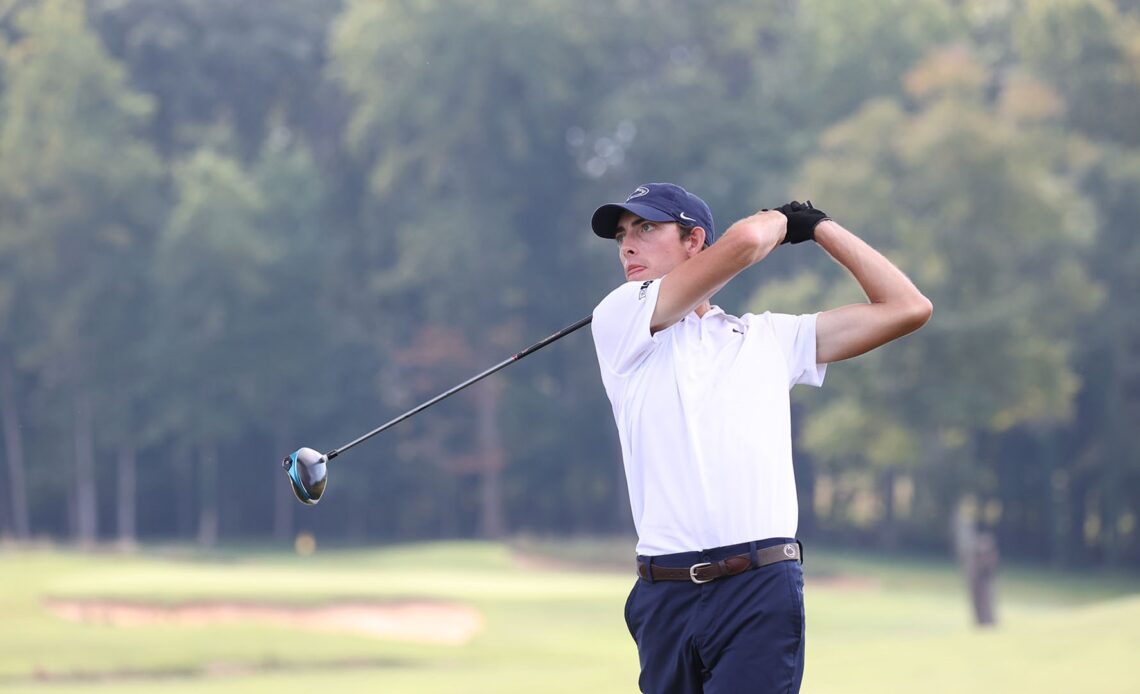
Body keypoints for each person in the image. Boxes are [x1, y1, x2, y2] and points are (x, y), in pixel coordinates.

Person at [588, 182, 932, 693]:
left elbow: (907, 307)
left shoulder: (770, 338)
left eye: (646, 228)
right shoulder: (619, 319)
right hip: (664, 596)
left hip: (759, 588)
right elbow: (748, 240)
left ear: (694, 240)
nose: (627, 245)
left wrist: (820, 229)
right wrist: (781, 218)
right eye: (621, 235)